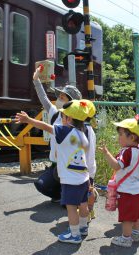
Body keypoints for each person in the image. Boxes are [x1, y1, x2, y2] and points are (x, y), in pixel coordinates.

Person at [15, 100, 91, 244]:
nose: (61, 119)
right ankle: (83, 228)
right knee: (83, 205)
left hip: (70, 179)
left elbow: (46, 127)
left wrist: (28, 120)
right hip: (83, 177)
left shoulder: (64, 131)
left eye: (62, 116)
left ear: (69, 119)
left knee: (71, 208)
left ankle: (74, 235)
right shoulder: (82, 134)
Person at [32, 66, 82, 201]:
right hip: (56, 164)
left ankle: (71, 198)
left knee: (68, 191)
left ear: (72, 102)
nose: (59, 99)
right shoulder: (56, 114)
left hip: (72, 165)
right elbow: (43, 99)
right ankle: (61, 196)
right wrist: (36, 80)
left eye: (62, 97)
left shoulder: (77, 121)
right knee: (41, 184)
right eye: (59, 96)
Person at [99, 115, 139, 248]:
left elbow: (116, 166)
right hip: (137, 189)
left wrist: (107, 153)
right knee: (137, 214)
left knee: (127, 217)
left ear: (131, 137)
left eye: (121, 134)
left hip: (126, 190)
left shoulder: (126, 152)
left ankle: (126, 238)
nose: (118, 137)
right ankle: (135, 233)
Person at [81, 99, 98, 222]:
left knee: (84, 193)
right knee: (90, 189)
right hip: (91, 165)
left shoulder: (83, 130)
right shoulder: (90, 128)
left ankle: (85, 214)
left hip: (84, 166)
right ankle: (90, 210)